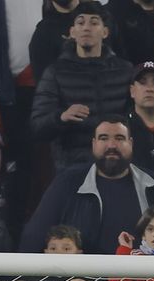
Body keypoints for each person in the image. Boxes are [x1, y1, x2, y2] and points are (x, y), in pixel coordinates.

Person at [20, 117, 154, 254]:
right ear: (93, 144)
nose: (111, 145)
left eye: (119, 138)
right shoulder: (68, 182)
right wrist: (23, 279)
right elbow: (34, 234)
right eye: (103, 138)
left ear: (131, 144)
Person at [30, 2, 135, 168]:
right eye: (80, 22)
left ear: (105, 32)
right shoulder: (55, 73)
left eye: (94, 23)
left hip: (117, 161)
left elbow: (138, 118)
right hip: (73, 164)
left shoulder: (125, 71)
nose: (86, 28)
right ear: (72, 32)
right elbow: (38, 126)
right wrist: (61, 117)